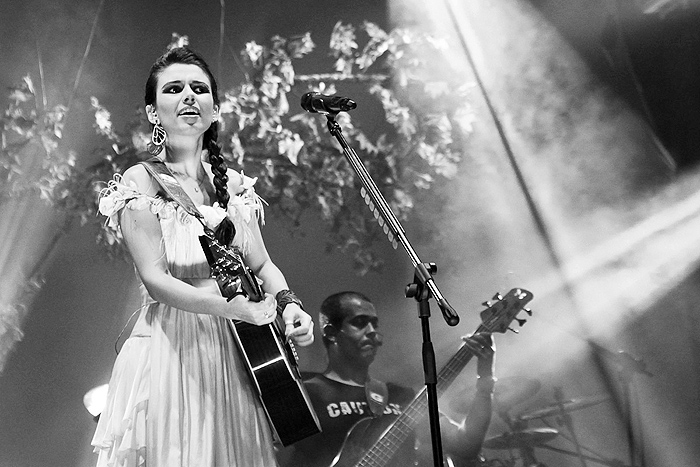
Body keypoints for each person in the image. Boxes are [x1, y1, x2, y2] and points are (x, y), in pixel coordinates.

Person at [91, 46, 314, 467]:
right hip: (172, 350)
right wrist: (234, 308)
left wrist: (288, 305)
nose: (189, 95)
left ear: (215, 108)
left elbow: (263, 265)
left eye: (199, 88)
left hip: (239, 352)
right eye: (174, 89)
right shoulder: (142, 180)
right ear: (153, 111)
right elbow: (156, 280)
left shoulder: (234, 184)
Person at [278, 291, 496, 467]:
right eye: (360, 323)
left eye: (374, 323)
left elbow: (467, 444)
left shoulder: (401, 396)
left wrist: (485, 379)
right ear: (331, 332)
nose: (372, 331)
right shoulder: (306, 392)